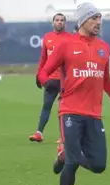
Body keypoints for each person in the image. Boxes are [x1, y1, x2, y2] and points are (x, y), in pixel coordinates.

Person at [37, 3, 110, 185]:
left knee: (99, 165)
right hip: (69, 111)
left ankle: (63, 153)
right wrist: (46, 83)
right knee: (73, 161)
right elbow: (43, 71)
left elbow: (105, 79)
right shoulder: (66, 45)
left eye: (100, 18)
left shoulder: (104, 48)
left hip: (94, 115)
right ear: (82, 21)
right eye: (94, 18)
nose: (98, 22)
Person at [29, 13, 72, 144]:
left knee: (64, 109)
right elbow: (43, 58)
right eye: (57, 20)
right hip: (51, 80)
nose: (59, 22)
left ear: (65, 23)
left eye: (62, 20)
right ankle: (39, 133)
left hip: (66, 80)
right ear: (53, 22)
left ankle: (64, 136)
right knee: (46, 106)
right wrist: (39, 75)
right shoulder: (48, 38)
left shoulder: (70, 38)